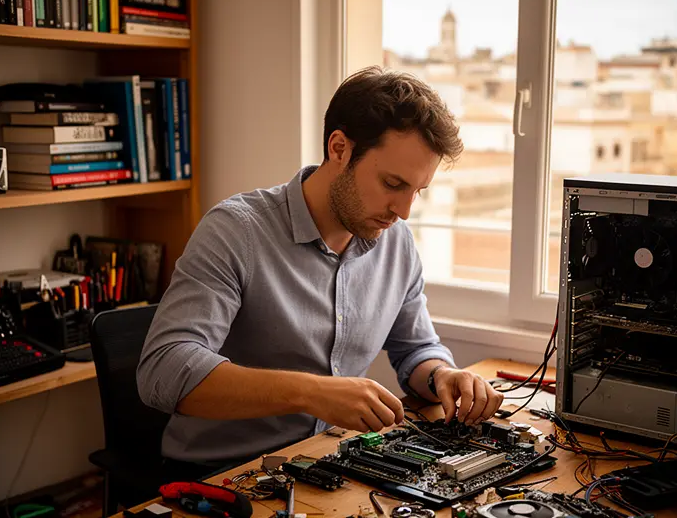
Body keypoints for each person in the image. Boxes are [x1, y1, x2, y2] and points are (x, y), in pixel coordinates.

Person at [137, 66, 505, 477]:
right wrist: (311, 393)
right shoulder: (236, 230)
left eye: (417, 191)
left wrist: (443, 375)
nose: (403, 211)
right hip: (221, 475)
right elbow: (163, 371)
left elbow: (416, 350)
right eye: (392, 183)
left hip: (328, 467)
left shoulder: (396, 241)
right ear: (339, 148)